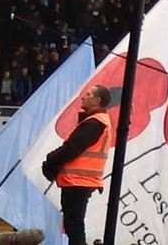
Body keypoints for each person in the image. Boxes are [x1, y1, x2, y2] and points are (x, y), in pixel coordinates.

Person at [40, 86, 116, 245]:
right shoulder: (98, 122)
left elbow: (72, 148)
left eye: (88, 94)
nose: (83, 97)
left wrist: (50, 160)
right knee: (73, 224)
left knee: (74, 225)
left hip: (78, 180)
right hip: (81, 180)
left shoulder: (95, 123)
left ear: (97, 101)